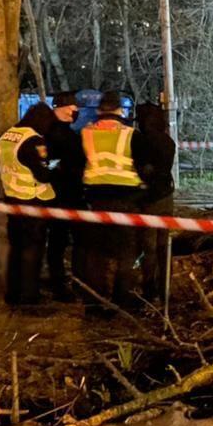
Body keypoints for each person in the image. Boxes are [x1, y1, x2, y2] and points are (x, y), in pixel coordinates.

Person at [81, 90, 150, 312]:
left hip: (96, 199)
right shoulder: (131, 134)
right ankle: (123, 298)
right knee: (127, 251)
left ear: (100, 110)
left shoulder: (86, 133)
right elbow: (143, 166)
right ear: (120, 110)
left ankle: (94, 302)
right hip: (126, 198)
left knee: (96, 252)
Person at [0, 102, 58, 306]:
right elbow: (43, 174)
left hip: (13, 200)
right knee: (33, 251)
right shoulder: (34, 141)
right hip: (34, 202)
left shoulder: (6, 137)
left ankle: (13, 294)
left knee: (16, 249)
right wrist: (56, 166)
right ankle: (30, 296)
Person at [45, 90, 85, 299]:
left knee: (61, 241)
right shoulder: (56, 134)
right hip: (62, 195)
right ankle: (62, 286)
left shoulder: (62, 132)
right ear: (58, 108)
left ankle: (63, 282)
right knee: (60, 241)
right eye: (71, 107)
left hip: (66, 194)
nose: (75, 110)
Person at [134, 102, 177, 300]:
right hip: (166, 197)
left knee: (148, 248)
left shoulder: (139, 141)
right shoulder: (168, 142)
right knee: (164, 246)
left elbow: (140, 170)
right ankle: (165, 288)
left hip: (147, 199)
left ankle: (148, 289)